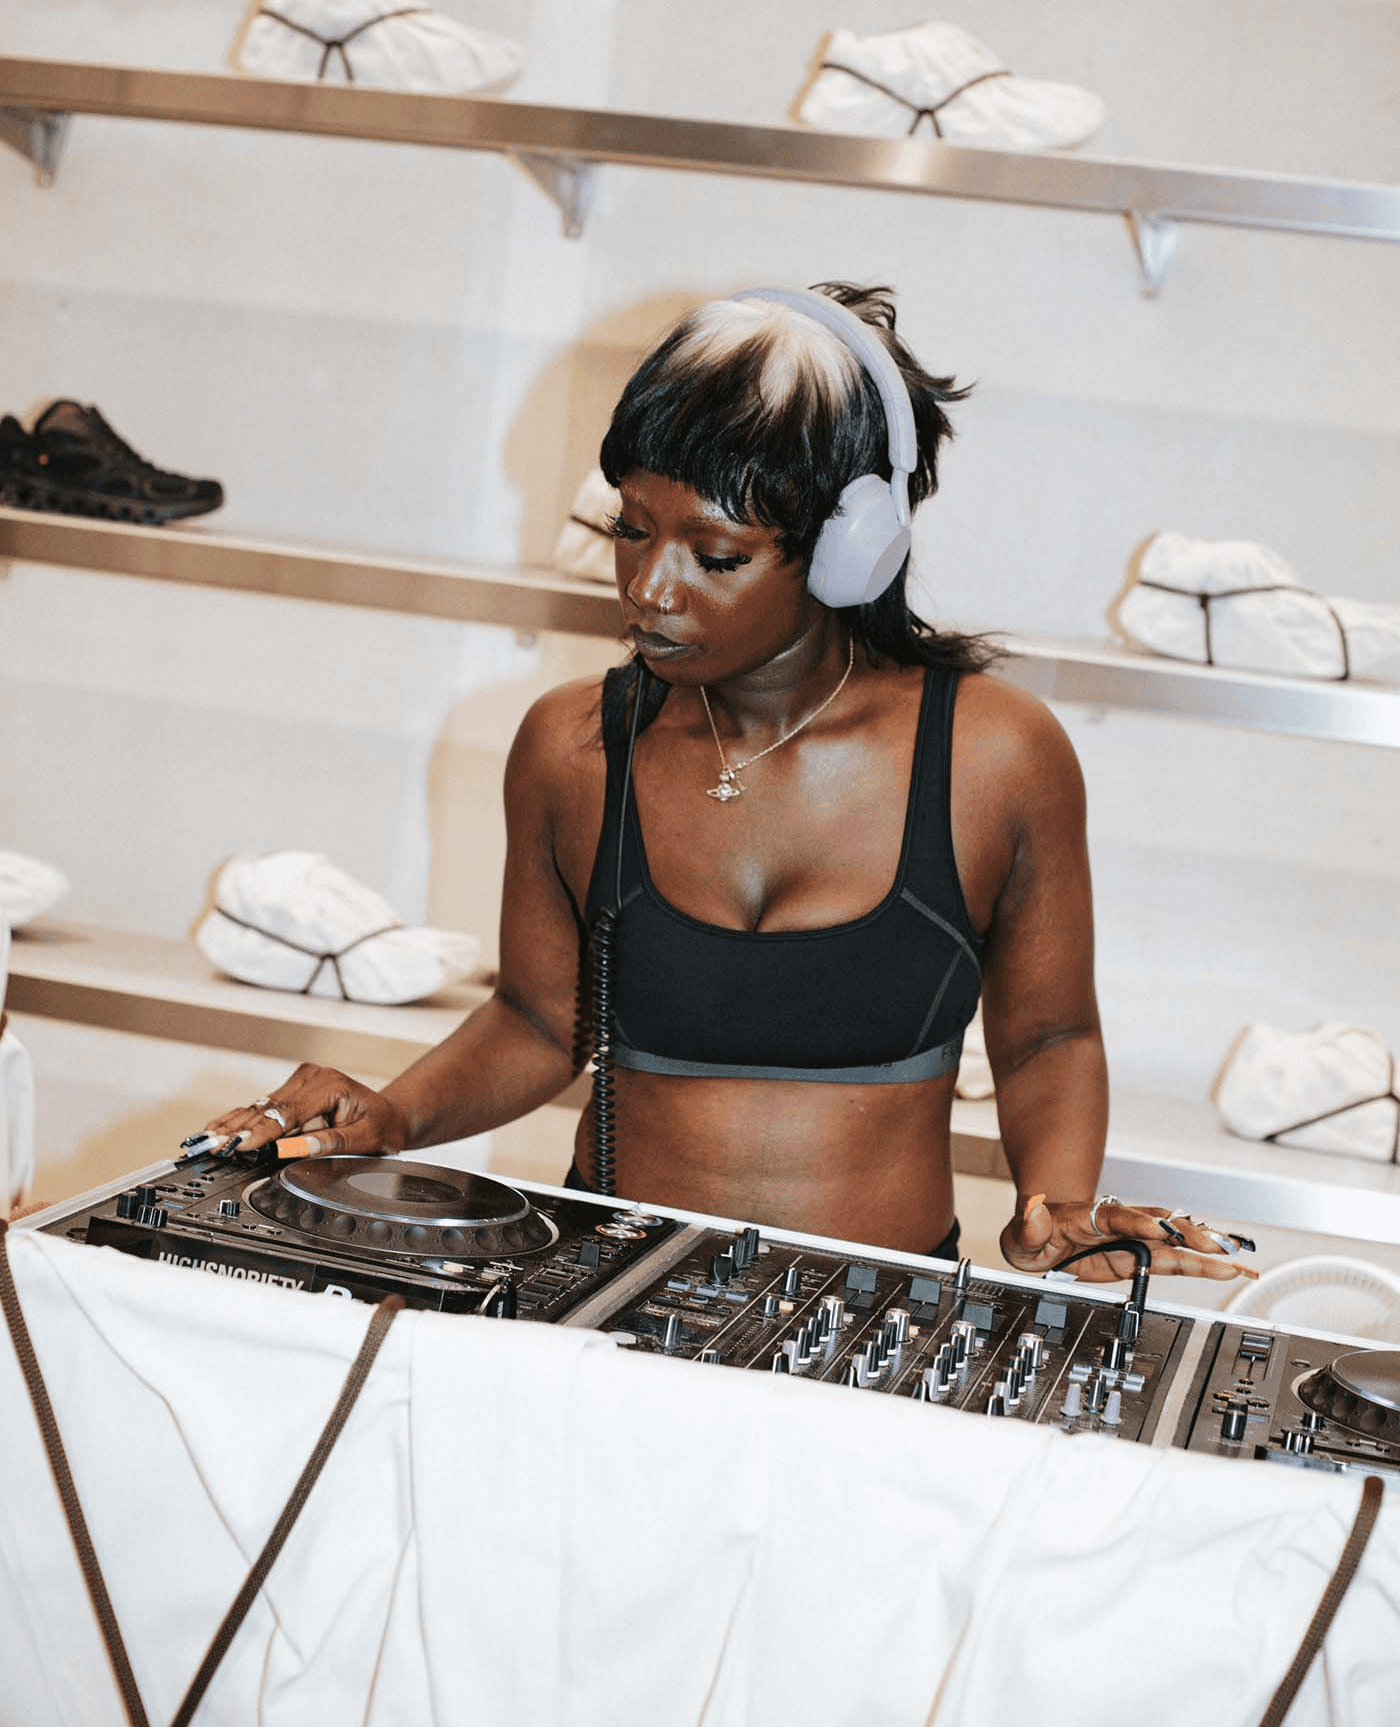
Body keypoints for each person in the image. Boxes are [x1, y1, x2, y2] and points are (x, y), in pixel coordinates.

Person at [193, 282, 1255, 1288]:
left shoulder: (992, 756)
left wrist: (1054, 1202)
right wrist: (391, 1115)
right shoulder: (569, 746)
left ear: (848, 552)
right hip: (596, 1288)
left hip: (872, 1327)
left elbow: (1047, 1037)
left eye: (715, 551)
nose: (647, 585)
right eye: (630, 526)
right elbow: (535, 1015)